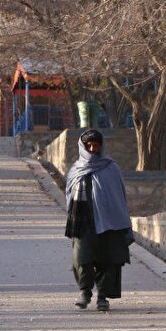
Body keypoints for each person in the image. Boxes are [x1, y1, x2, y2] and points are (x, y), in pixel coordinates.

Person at [65, 130, 133, 311]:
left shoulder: (111, 168)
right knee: (82, 258)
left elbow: (119, 197)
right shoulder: (76, 169)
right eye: (89, 145)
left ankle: (102, 296)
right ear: (83, 146)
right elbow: (69, 196)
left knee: (108, 260)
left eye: (96, 145)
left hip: (109, 222)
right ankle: (85, 292)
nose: (93, 149)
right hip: (83, 222)